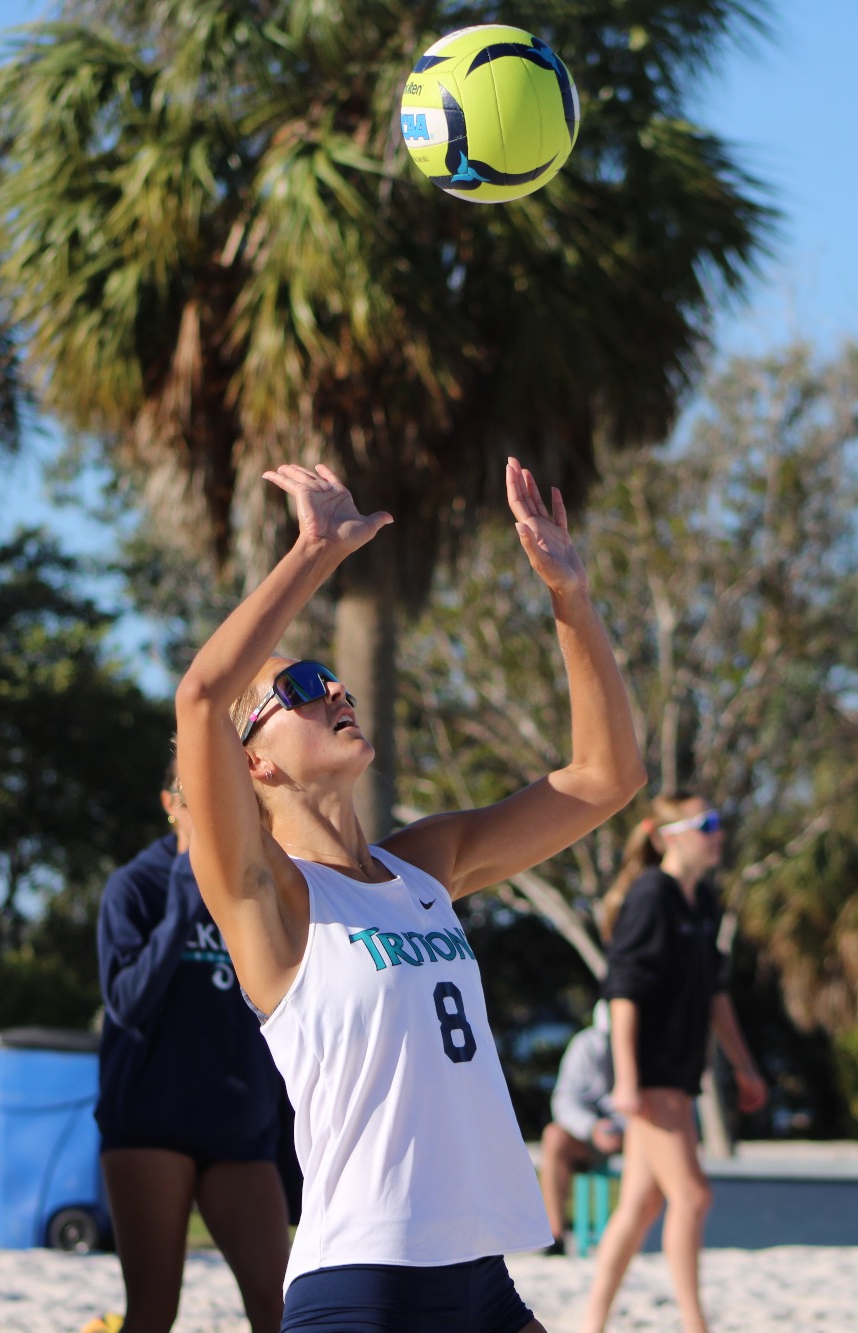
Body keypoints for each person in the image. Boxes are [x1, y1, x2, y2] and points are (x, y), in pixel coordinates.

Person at [174, 459, 645, 1333]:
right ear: (254, 761)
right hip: (363, 1286)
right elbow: (201, 696)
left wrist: (571, 599)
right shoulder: (268, 896)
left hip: (482, 1281)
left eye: (335, 680)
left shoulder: (426, 864)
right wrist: (315, 551)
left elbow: (606, 776)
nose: (336, 690)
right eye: (304, 687)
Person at [96, 769, 290, 1333]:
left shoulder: (254, 884)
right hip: (150, 1125)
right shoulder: (136, 886)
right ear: (169, 804)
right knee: (155, 1311)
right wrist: (185, 895)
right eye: (192, 796)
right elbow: (125, 1003)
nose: (207, 807)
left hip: (240, 1129)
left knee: (280, 1308)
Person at [579, 793, 768, 1333]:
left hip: (680, 1074)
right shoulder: (651, 895)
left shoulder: (701, 900)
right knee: (692, 1194)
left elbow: (717, 994)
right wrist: (628, 1079)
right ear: (671, 835)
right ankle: (695, 1323)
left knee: (640, 1205)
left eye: (718, 821)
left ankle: (592, 1320)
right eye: (707, 823)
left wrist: (745, 1066)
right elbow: (623, 993)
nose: (718, 833)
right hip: (651, 1073)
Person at [538, 1005, 622, 1254]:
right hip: (592, 1135)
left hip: (637, 1132)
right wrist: (592, 1128)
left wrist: (621, 1128)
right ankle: (555, 1234)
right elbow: (564, 1101)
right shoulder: (586, 1045)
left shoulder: (651, 1043)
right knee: (554, 1137)